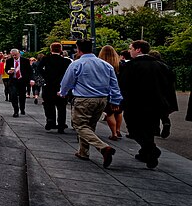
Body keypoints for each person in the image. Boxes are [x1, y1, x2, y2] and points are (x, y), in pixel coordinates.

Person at [58, 39, 121, 168]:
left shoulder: (77, 64)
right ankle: (83, 152)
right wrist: (115, 100)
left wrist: (63, 92)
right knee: (90, 126)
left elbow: (67, 81)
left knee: (79, 126)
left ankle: (103, 148)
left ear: (78, 49)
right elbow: (114, 84)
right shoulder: (106, 65)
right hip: (102, 99)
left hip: (84, 98)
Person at [119, 40, 178, 169]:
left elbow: (124, 86)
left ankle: (151, 150)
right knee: (150, 128)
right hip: (156, 104)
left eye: (131, 49)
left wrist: (121, 102)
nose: (130, 51)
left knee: (134, 128)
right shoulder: (161, 65)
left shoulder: (132, 66)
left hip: (136, 104)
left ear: (138, 50)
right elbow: (170, 85)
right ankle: (145, 152)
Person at [40, 42, 72, 132]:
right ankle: (61, 125)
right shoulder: (66, 61)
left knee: (49, 104)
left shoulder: (46, 59)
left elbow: (39, 68)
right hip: (60, 86)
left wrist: (45, 76)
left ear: (51, 50)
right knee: (61, 107)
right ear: (61, 50)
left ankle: (51, 120)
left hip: (49, 85)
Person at [98, 45, 124, 141]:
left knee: (110, 113)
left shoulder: (101, 65)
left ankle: (113, 133)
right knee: (119, 111)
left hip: (106, 91)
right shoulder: (120, 65)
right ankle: (118, 129)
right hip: (120, 90)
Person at [5, 49, 32, 117]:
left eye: (15, 55)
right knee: (13, 95)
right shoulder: (9, 61)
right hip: (13, 80)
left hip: (22, 80)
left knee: (22, 95)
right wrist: (8, 71)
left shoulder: (25, 61)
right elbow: (6, 69)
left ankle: (22, 108)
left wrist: (30, 79)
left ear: (19, 54)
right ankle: (16, 110)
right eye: (13, 55)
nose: (14, 56)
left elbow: (29, 70)